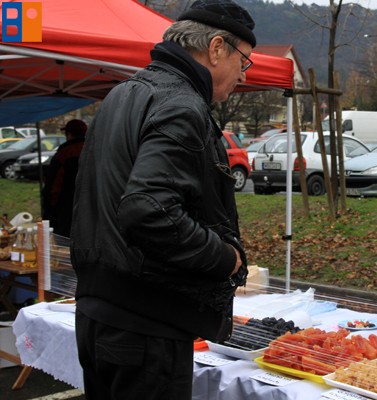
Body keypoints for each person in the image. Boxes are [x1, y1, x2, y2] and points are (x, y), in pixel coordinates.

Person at [69, 1, 254, 398]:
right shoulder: (181, 104)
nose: (242, 74)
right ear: (217, 48)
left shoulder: (123, 93)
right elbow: (149, 210)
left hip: (99, 312)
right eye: (244, 61)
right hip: (147, 324)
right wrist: (225, 257)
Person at [41, 118, 87, 237]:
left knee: (65, 247)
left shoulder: (64, 153)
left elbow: (52, 188)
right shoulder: (96, 150)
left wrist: (49, 211)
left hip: (67, 211)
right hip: (93, 209)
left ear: (69, 134)